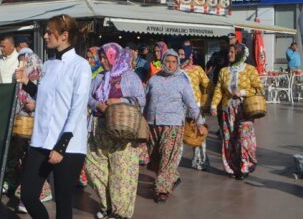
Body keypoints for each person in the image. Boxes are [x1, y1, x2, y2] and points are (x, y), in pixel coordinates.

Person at [16, 14, 91, 219]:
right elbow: (46, 97)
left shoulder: (81, 66)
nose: (46, 35)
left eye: (50, 32)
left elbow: (78, 107)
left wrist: (62, 144)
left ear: (64, 35)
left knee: (63, 203)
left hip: (68, 145)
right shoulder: (48, 65)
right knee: (29, 195)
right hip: (41, 140)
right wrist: (27, 83)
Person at [85, 43, 145, 219]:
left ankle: (120, 213)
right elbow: (88, 97)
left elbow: (140, 100)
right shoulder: (98, 77)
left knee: (122, 172)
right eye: (100, 57)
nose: (101, 61)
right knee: (93, 166)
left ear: (114, 57)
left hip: (122, 129)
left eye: (105, 57)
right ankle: (108, 204)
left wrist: (118, 102)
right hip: (98, 128)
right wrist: (98, 104)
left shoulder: (130, 77)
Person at [145, 49, 205, 203]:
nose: (170, 65)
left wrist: (199, 122)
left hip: (173, 123)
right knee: (154, 156)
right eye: (167, 61)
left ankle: (162, 189)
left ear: (178, 63)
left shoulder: (182, 80)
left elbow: (191, 103)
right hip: (153, 123)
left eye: (173, 62)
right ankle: (173, 177)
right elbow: (145, 101)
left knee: (168, 156)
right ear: (163, 62)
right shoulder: (154, 79)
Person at [2, 49, 51, 213]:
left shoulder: (42, 77)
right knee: (21, 158)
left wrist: (35, 105)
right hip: (22, 124)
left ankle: (35, 195)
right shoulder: (20, 76)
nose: (22, 63)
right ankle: (24, 193)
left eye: (25, 60)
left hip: (37, 125)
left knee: (32, 160)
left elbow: (47, 99)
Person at [211, 43, 263, 180]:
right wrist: (213, 105)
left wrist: (244, 92)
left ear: (240, 53)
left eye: (233, 52)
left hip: (245, 108)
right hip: (227, 109)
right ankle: (233, 167)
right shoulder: (224, 71)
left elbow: (259, 89)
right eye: (229, 52)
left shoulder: (250, 69)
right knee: (229, 139)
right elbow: (218, 89)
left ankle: (245, 164)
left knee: (244, 137)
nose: (230, 54)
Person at [179, 45, 212, 170]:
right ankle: (175, 161)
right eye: (179, 55)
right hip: (180, 108)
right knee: (179, 134)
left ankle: (199, 161)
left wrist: (204, 103)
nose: (180, 57)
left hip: (195, 107)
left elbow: (208, 86)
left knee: (198, 133)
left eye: (183, 55)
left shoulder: (197, 69)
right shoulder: (176, 70)